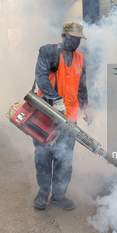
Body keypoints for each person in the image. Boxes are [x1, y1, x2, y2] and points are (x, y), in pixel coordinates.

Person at [33, 22, 93, 211]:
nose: (75, 43)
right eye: (72, 38)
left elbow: (82, 86)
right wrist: (55, 99)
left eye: (78, 40)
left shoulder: (80, 59)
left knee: (64, 157)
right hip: (47, 115)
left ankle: (59, 195)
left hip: (70, 118)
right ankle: (43, 192)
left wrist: (86, 107)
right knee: (43, 154)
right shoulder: (48, 52)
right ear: (63, 36)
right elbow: (41, 77)